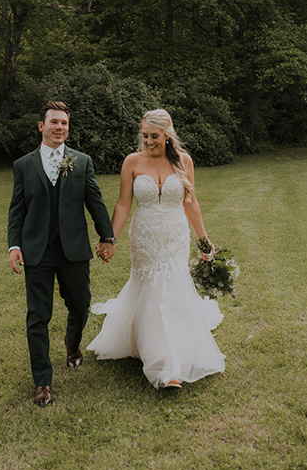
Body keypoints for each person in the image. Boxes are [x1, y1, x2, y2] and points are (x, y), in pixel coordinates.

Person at [87, 109, 225, 389]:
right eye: (145, 136)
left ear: (167, 135)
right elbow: (124, 203)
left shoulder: (184, 161)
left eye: (155, 136)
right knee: (150, 287)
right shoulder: (132, 162)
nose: (148, 141)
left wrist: (203, 239)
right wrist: (109, 238)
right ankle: (162, 365)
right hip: (145, 237)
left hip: (174, 235)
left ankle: (172, 357)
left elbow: (190, 202)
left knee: (173, 286)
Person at [8, 102, 116, 406]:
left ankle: (73, 345)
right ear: (41, 126)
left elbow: (95, 201)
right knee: (37, 316)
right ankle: (43, 381)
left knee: (80, 305)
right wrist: (14, 245)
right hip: (37, 250)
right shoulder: (23, 165)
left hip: (74, 248)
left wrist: (107, 236)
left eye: (64, 123)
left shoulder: (81, 162)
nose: (60, 127)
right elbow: (17, 209)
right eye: (54, 122)